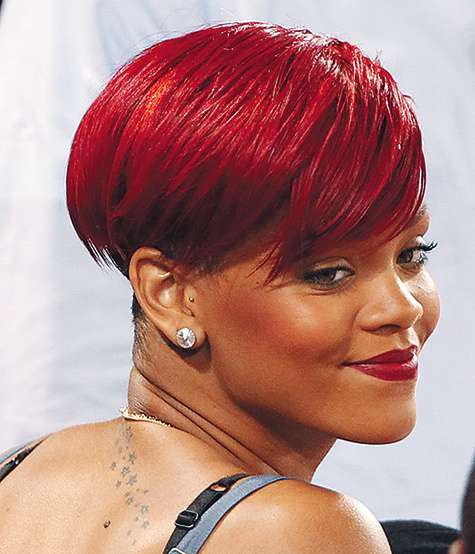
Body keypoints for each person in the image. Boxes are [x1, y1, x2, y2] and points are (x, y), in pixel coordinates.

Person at [0, 21, 440, 553]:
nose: (400, 307)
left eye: (412, 254)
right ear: (169, 294)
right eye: (328, 273)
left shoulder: (19, 475)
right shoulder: (300, 532)